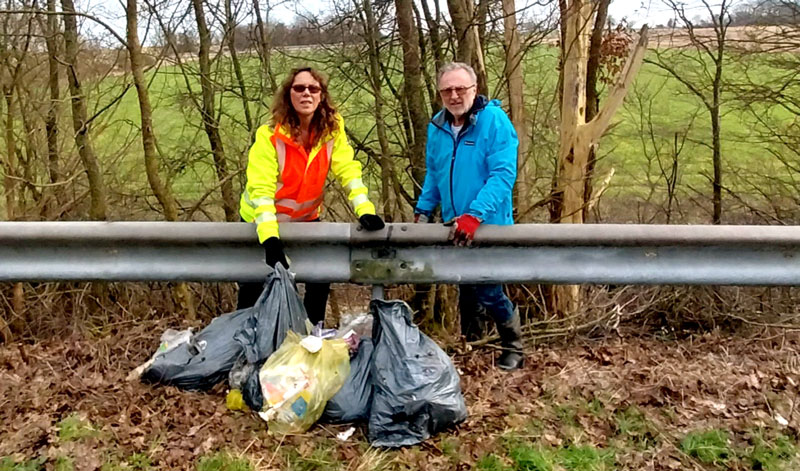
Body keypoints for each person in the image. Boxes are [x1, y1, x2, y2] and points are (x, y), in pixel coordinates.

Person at [238, 66, 385, 324]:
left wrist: (365, 210)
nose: (306, 93)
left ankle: (310, 340)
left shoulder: (331, 130)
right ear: (289, 95)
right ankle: (242, 344)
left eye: (313, 88)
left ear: (321, 96)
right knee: (252, 290)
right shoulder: (269, 136)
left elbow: (348, 170)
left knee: (320, 279)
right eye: (299, 88)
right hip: (261, 223)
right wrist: (270, 239)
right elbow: (260, 190)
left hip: (306, 219)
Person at [414, 62, 523, 370]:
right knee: (464, 287)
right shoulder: (437, 127)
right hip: (454, 223)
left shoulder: (494, 122)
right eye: (447, 90)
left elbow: (503, 174)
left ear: (474, 90)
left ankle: (513, 345)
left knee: (488, 287)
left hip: (488, 224)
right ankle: (471, 346)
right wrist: (423, 210)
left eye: (461, 88)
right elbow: (435, 174)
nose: (454, 95)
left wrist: (476, 214)